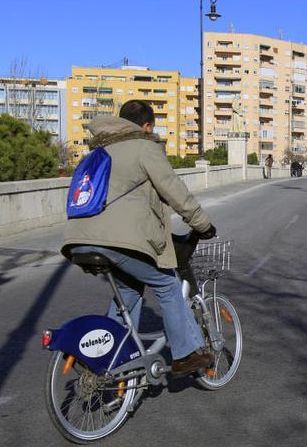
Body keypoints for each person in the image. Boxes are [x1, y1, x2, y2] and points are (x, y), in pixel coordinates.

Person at [61, 100, 217, 375]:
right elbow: (174, 190)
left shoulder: (97, 151)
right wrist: (202, 224)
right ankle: (185, 354)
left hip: (78, 238)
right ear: (146, 126)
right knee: (168, 284)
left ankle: (107, 359)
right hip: (117, 241)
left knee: (129, 293)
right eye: (151, 128)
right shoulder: (144, 147)